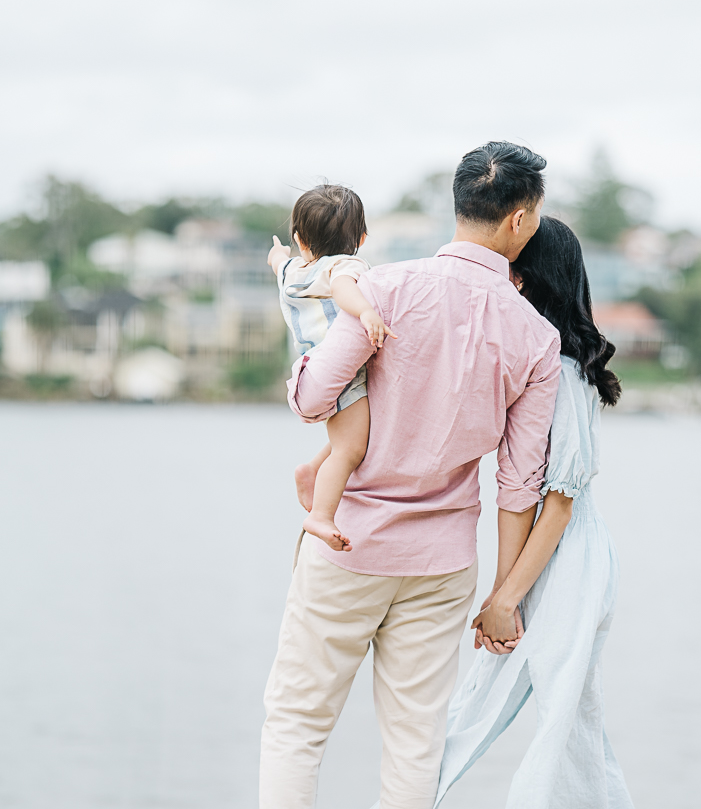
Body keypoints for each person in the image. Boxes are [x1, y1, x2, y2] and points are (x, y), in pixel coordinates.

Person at [260, 142, 563, 809]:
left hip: (348, 545)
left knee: (297, 726)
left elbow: (315, 402)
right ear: (519, 220)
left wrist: (301, 378)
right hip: (442, 563)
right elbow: (519, 485)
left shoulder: (382, 287)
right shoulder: (537, 338)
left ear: (459, 205)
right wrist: (504, 595)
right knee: (415, 743)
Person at [437, 216, 634, 808]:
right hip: (557, 555)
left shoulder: (567, 374)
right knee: (493, 709)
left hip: (568, 557)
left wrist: (504, 598)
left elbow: (559, 501)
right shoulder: (545, 362)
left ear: (525, 281)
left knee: (565, 726)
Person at [267, 184, 396, 552]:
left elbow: (278, 261)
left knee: (347, 439)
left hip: (310, 367)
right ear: (363, 237)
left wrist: (278, 254)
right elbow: (342, 289)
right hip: (344, 373)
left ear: (299, 240)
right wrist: (366, 310)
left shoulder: (292, 271)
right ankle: (321, 514)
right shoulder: (345, 267)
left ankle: (311, 469)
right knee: (351, 450)